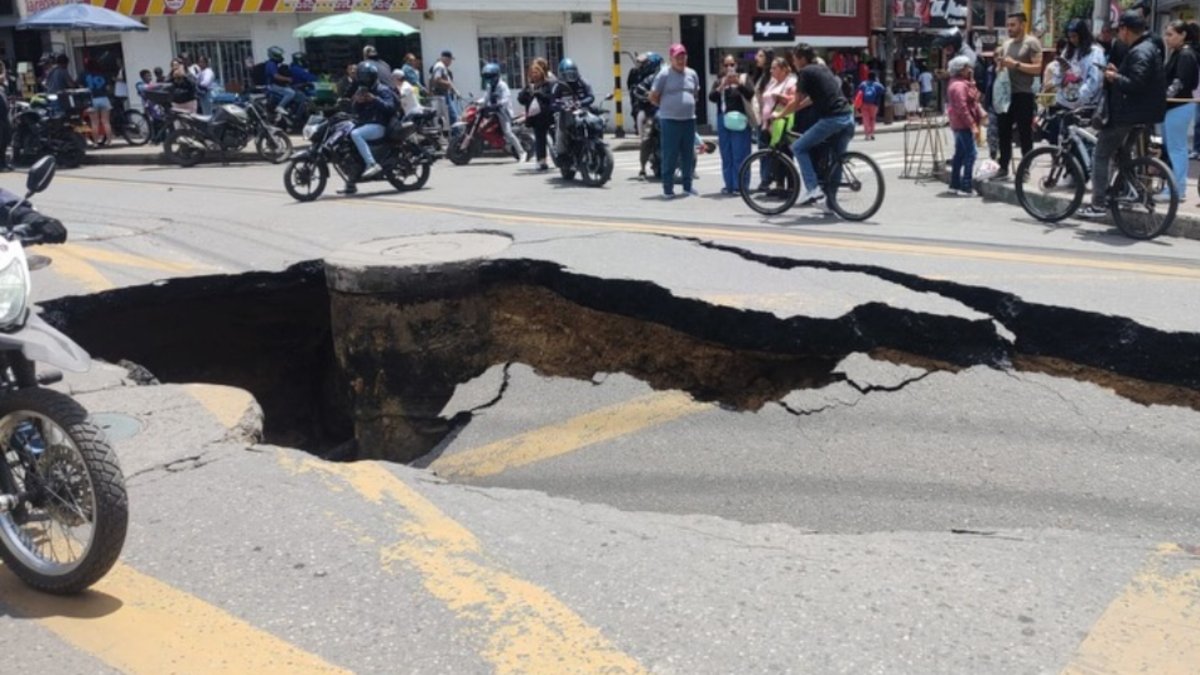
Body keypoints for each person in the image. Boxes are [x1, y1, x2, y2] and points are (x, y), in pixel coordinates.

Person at [1077, 11, 1167, 219]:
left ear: (1126, 30)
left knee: (1101, 154)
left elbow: (1136, 84)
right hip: (1141, 115)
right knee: (1124, 156)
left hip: (1127, 115)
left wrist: (1114, 77)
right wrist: (1117, 72)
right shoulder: (1147, 48)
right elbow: (1138, 78)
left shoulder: (1140, 51)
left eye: (1119, 30)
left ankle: (1098, 204)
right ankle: (1131, 191)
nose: (1118, 34)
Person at [772, 43, 854, 206]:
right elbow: (810, 99)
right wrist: (795, 109)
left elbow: (796, 100)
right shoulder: (822, 69)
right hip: (847, 117)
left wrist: (779, 115)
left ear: (802, 59)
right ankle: (831, 204)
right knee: (836, 161)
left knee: (798, 147)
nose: (794, 63)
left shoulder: (805, 72)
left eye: (795, 59)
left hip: (832, 119)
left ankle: (813, 189)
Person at [992, 12, 1043, 181]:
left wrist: (1016, 64)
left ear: (1022, 25)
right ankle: (1003, 166)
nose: (1009, 28)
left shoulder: (1032, 43)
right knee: (1003, 132)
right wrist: (1000, 66)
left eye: (1013, 25)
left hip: (1024, 93)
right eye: (1008, 25)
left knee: (1024, 133)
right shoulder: (1006, 44)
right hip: (1006, 94)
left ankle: (1025, 168)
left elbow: (1038, 68)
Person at [649, 44, 700, 199]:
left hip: (689, 120)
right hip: (670, 121)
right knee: (670, 155)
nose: (681, 60)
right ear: (671, 58)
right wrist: (666, 107)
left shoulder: (692, 74)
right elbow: (653, 96)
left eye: (683, 57)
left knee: (688, 155)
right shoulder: (664, 74)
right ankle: (668, 189)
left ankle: (687, 187)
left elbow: (695, 93)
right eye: (677, 57)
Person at [1160, 20, 1198, 200]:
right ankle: (1174, 187)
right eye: (1166, 34)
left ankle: (1177, 189)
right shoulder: (1178, 53)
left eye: (1171, 34)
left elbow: (1179, 82)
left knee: (1177, 149)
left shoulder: (1185, 54)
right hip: (1174, 106)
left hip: (1179, 105)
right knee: (1174, 148)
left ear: (1182, 35)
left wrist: (1163, 97)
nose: (1167, 38)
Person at [344, 62, 396, 193]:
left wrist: (374, 99)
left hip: (379, 125)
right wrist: (357, 101)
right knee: (346, 139)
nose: (364, 80)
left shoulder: (382, 90)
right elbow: (355, 110)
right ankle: (351, 182)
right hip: (366, 124)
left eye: (366, 77)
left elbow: (390, 108)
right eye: (361, 77)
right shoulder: (362, 90)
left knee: (356, 134)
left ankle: (372, 164)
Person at [709, 53, 755, 195]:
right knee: (726, 154)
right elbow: (712, 97)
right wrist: (722, 86)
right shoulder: (719, 81)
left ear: (736, 65)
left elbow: (750, 93)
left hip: (740, 120)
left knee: (740, 154)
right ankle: (728, 185)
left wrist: (738, 84)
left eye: (732, 64)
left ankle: (740, 186)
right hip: (723, 119)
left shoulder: (744, 78)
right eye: (726, 65)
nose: (729, 67)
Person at [947, 56, 984, 196]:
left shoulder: (960, 83)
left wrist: (972, 80)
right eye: (967, 67)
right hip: (963, 124)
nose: (970, 69)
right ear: (961, 69)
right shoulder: (959, 86)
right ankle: (966, 186)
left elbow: (975, 95)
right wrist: (972, 124)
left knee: (960, 154)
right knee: (971, 154)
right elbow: (962, 108)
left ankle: (954, 184)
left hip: (958, 123)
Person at [757, 56, 796, 191]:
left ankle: (791, 187)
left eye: (774, 68)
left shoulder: (791, 82)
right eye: (771, 68)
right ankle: (779, 186)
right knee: (774, 157)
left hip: (781, 124)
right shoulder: (772, 83)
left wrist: (781, 97)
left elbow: (795, 100)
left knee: (785, 155)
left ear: (784, 69)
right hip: (768, 124)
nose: (771, 71)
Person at [1054, 19, 1106, 112]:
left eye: (1074, 36)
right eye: (1069, 37)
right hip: (1064, 101)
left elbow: (1094, 81)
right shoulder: (1067, 51)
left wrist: (1079, 97)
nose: (1072, 40)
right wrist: (1061, 72)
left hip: (1085, 105)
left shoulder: (1095, 52)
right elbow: (1056, 78)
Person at [551, 57, 596, 160]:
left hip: (582, 110)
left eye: (572, 74)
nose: (570, 77)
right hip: (565, 113)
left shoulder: (583, 82)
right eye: (567, 74)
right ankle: (561, 153)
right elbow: (553, 102)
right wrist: (562, 106)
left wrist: (581, 102)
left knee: (595, 122)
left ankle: (595, 143)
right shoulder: (557, 86)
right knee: (561, 131)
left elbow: (591, 96)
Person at [480, 62, 524, 161]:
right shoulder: (489, 86)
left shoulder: (502, 85)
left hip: (504, 112)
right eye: (487, 76)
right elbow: (485, 98)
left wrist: (498, 104)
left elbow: (506, 99)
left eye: (490, 76)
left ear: (496, 75)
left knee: (507, 132)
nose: (488, 79)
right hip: (493, 111)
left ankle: (522, 152)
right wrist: (477, 103)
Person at [518, 57, 556, 171]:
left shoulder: (549, 83)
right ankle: (541, 161)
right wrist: (525, 93)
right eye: (532, 72)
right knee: (540, 139)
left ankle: (560, 157)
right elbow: (521, 99)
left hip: (549, 115)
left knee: (555, 136)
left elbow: (552, 98)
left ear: (541, 72)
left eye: (536, 72)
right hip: (536, 118)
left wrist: (540, 94)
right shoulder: (530, 86)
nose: (534, 75)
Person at [631, 51, 663, 179]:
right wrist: (645, 95)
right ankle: (642, 169)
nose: (642, 66)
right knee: (646, 136)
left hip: (668, 111)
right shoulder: (647, 78)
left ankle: (692, 161)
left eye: (645, 64)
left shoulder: (665, 76)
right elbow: (638, 90)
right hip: (651, 112)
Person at [82, 60, 112, 147]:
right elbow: (108, 87)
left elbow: (80, 86)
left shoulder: (84, 74)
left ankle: (95, 142)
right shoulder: (103, 74)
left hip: (92, 99)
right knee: (106, 122)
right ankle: (109, 142)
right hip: (104, 98)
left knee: (94, 123)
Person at [264, 46, 295, 121]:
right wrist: (288, 79)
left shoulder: (274, 64)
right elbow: (276, 76)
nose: (281, 57)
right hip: (272, 86)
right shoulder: (271, 64)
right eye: (278, 55)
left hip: (275, 85)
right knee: (291, 93)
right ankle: (280, 107)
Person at [429, 50, 458, 126]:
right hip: (442, 94)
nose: (451, 62)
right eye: (450, 60)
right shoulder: (440, 66)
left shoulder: (440, 66)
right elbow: (437, 79)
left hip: (442, 94)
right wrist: (448, 83)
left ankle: (452, 131)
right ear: (446, 59)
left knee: (447, 116)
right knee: (453, 116)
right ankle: (456, 132)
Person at [856, 72, 886, 140]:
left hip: (864, 104)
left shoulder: (863, 84)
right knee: (872, 119)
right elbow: (883, 91)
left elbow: (858, 92)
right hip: (874, 104)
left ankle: (867, 135)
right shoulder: (877, 85)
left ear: (868, 77)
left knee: (865, 119)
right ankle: (872, 134)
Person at [0, 62, 11, 171]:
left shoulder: (2, 89)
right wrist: (3, 69)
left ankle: (4, 163)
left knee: (5, 141)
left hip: (4, 118)